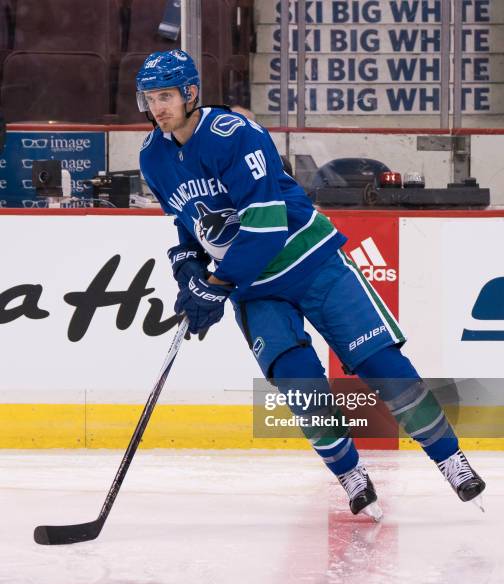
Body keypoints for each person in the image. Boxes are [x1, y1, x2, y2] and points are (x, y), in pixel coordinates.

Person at [136, 50, 486, 519]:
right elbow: (186, 222)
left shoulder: (235, 136)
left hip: (311, 262)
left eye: (166, 95)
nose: (157, 107)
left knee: (381, 365)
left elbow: (266, 225)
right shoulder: (153, 157)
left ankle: (452, 461)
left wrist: (216, 283)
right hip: (256, 288)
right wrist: (187, 270)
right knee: (300, 386)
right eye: (150, 97)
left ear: (191, 93)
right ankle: (351, 475)